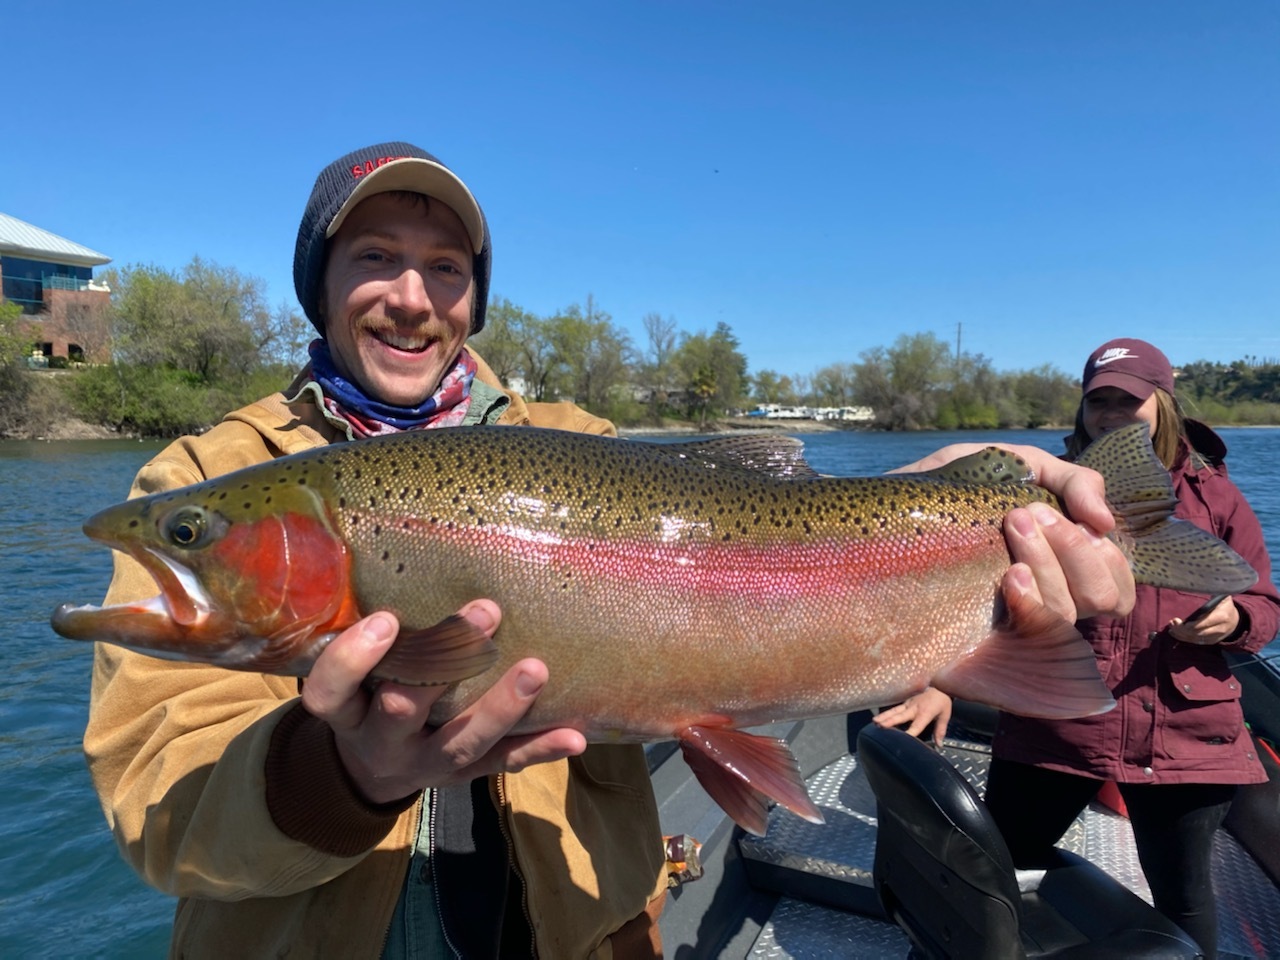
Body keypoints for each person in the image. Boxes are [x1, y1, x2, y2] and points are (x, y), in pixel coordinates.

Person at [83, 140, 1137, 960]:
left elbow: (761, 539)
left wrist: (946, 502)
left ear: (472, 296)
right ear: (318, 281)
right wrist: (343, 777)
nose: (412, 295)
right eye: (375, 258)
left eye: (443, 267)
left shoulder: (580, 449)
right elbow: (158, 813)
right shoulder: (201, 479)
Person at [875, 337, 1280, 959]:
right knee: (995, 870)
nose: (1112, 413)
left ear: (1164, 404)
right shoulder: (1033, 488)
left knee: (1186, 896)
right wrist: (934, 680)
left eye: (1130, 400)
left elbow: (1265, 606)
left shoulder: (1217, 496)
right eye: (1100, 401)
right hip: (1058, 723)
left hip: (1187, 733)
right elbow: (970, 600)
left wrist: (1232, 619)